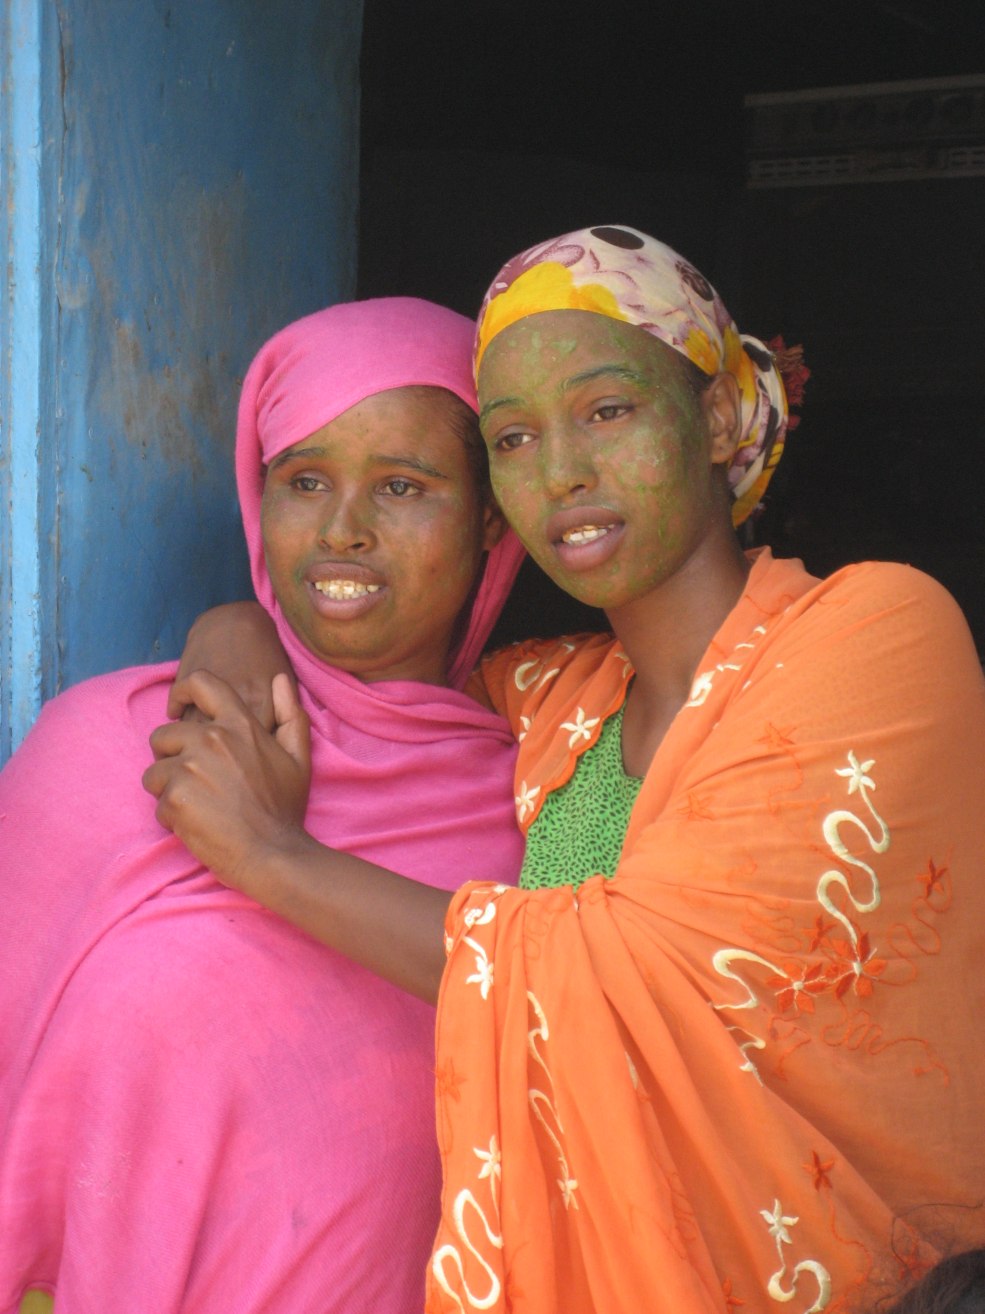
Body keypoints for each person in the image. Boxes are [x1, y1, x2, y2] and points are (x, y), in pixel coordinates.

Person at [148, 226, 985, 1313]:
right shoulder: (544, 700)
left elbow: (631, 962)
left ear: (719, 417)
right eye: (513, 436)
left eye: (606, 410)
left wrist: (270, 857)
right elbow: (349, 683)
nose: (563, 471)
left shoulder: (874, 632)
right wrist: (234, 627)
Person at [0, 297, 526, 1314]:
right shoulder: (105, 751)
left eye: (404, 487)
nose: (342, 532)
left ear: (489, 520)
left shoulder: (530, 803)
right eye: (305, 482)